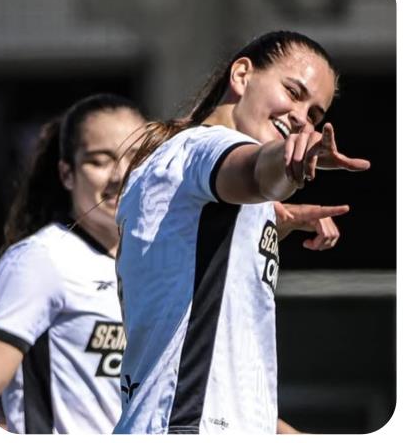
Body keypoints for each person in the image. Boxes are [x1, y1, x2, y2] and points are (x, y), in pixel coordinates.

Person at [112, 31, 369, 434]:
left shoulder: (192, 180)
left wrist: (270, 225)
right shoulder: (203, 148)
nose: (302, 116)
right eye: (293, 91)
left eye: (316, 115)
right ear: (242, 74)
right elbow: (253, 170)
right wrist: (285, 170)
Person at [0, 94, 147, 433]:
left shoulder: (157, 263)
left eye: (135, 157)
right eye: (100, 160)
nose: (120, 174)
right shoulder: (42, 259)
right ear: (67, 174)